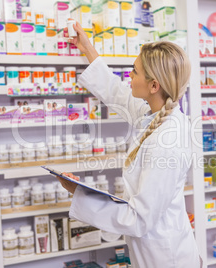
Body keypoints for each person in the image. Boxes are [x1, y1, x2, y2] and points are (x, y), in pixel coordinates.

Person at [57, 21, 201, 268]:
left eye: (134, 72)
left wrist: (78, 193)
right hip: (155, 253)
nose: (129, 76)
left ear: (154, 85)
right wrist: (88, 49)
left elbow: (138, 219)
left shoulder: (167, 141)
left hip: (167, 260)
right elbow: (117, 94)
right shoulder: (156, 112)